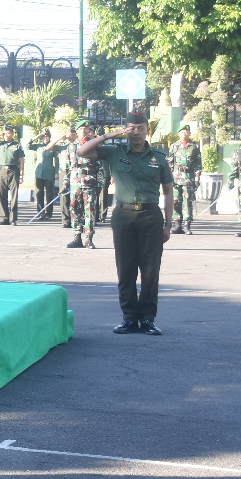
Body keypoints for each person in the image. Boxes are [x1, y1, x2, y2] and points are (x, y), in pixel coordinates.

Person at [78, 112, 173, 335]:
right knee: (126, 269)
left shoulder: (158, 157)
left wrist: (168, 223)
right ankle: (129, 318)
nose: (136, 132)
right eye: (131, 128)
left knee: (151, 271)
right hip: (123, 217)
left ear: (147, 129)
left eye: (140, 127)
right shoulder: (114, 152)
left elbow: (168, 191)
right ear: (125, 130)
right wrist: (110, 135)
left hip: (151, 217)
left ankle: (148, 319)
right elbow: (82, 151)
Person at [65, 121, 100, 248]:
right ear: (77, 131)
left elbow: (99, 166)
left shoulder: (93, 145)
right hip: (75, 182)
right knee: (74, 208)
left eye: (86, 129)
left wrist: (99, 183)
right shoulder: (71, 146)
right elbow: (68, 166)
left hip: (89, 180)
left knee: (89, 209)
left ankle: (88, 238)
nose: (84, 131)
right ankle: (77, 237)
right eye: (81, 129)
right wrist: (66, 182)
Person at [167, 124, 202, 234]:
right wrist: (170, 176)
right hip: (176, 177)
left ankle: (187, 225)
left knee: (188, 201)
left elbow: (198, 164)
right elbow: (170, 162)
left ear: (189, 134)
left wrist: (196, 179)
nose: (184, 134)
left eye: (186, 132)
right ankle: (177, 225)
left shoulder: (194, 147)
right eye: (182, 132)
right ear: (178, 134)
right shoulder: (174, 146)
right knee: (175, 201)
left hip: (188, 177)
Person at [0, 126, 25, 226]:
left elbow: (21, 160)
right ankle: (4, 218)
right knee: (2, 195)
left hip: (13, 170)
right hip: (1, 171)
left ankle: (13, 218)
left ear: (12, 134)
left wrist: (22, 175)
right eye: (4, 133)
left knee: (14, 196)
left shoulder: (17, 145)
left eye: (8, 133)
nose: (6, 135)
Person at [28, 129, 63, 221]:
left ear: (50, 137)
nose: (45, 138)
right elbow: (28, 146)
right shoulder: (38, 146)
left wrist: (56, 172)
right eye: (44, 136)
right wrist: (37, 136)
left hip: (49, 173)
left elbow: (57, 161)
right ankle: (40, 213)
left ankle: (48, 213)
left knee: (49, 194)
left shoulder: (53, 147)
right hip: (39, 173)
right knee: (39, 193)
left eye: (47, 136)